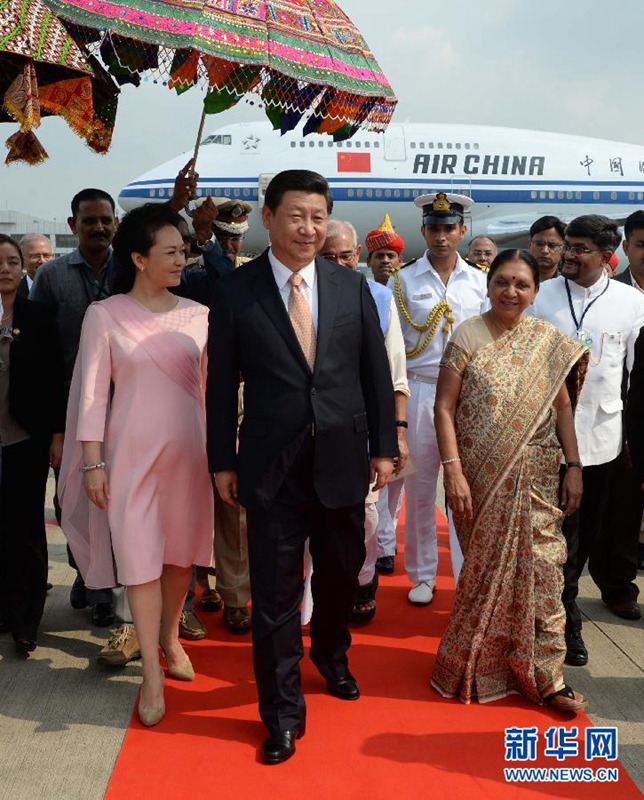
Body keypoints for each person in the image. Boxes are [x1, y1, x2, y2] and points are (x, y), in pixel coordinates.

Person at [207, 170, 397, 764]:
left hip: (344, 460)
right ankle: (282, 713)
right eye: (296, 215)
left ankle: (332, 656)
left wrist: (385, 447)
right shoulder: (237, 292)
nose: (308, 228)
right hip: (270, 466)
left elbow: (372, 373)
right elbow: (219, 388)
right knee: (275, 597)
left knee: (343, 575)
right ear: (268, 217)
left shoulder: (351, 286)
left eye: (318, 216)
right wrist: (221, 460)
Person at [60, 203, 214, 726]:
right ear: (140, 259)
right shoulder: (104, 315)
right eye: (170, 252)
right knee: (141, 559)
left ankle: (171, 637)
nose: (181, 259)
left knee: (178, 557)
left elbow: (211, 393)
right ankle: (151, 668)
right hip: (128, 460)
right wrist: (91, 463)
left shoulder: (200, 315)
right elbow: (90, 398)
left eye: (183, 250)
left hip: (189, 457)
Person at [431, 249, 589, 712]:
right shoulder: (469, 335)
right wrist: (453, 469)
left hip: (538, 479)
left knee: (542, 572)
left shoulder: (548, 342)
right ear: (488, 285)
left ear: (536, 292)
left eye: (521, 284)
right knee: (483, 576)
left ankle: (546, 675)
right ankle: (475, 665)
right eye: (502, 281)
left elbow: (562, 408)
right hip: (481, 479)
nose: (511, 291)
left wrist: (574, 466)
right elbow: (443, 408)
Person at [531, 214, 644, 666]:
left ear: (605, 255)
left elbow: (636, 379)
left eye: (578, 249)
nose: (568, 257)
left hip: (601, 440)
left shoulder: (630, 303)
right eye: (566, 247)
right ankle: (561, 617)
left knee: (585, 533)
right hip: (543, 439)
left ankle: (566, 606)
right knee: (553, 536)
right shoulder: (541, 296)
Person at [390, 191, 488, 606]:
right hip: (422, 387)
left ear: (462, 231)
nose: (442, 237)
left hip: (467, 393)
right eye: (435, 229)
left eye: (450, 229)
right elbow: (394, 345)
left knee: (467, 488)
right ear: (424, 231)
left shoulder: (481, 281)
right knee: (421, 486)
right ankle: (424, 573)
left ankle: (466, 572)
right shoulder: (404, 280)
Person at [30, 188, 118, 628]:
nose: (99, 227)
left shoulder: (133, 268)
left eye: (106, 219)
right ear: (73, 226)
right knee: (72, 502)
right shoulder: (52, 278)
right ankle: (86, 571)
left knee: (115, 501)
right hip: (69, 412)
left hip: (123, 412)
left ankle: (107, 588)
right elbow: (41, 359)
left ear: (116, 223)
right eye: (90, 221)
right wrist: (55, 431)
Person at [320, 219, 409, 623]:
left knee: (367, 515)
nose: (337, 263)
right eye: (328, 256)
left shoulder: (378, 298)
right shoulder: (301, 294)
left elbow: (393, 375)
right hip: (316, 428)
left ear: (357, 256)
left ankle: (364, 580)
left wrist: (395, 436)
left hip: (362, 426)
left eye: (344, 255)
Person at [0, 235, 65, 653]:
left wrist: (57, 434)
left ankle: (26, 622)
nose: (4, 269)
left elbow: (55, 381)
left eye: (11, 261)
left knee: (25, 528)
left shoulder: (39, 315)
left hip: (25, 436)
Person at [593, 210, 644, 621]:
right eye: (642, 245)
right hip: (623, 416)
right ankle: (617, 584)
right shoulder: (612, 295)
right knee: (622, 506)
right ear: (626, 247)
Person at [364, 214, 405, 285]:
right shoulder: (360, 293)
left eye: (390, 256)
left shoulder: (411, 292)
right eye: (379, 256)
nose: (385, 260)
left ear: (400, 261)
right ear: (368, 261)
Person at [528, 215, 566, 282]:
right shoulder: (514, 280)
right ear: (529, 244)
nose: (545, 251)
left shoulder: (570, 284)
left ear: (564, 248)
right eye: (539, 244)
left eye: (552, 245)